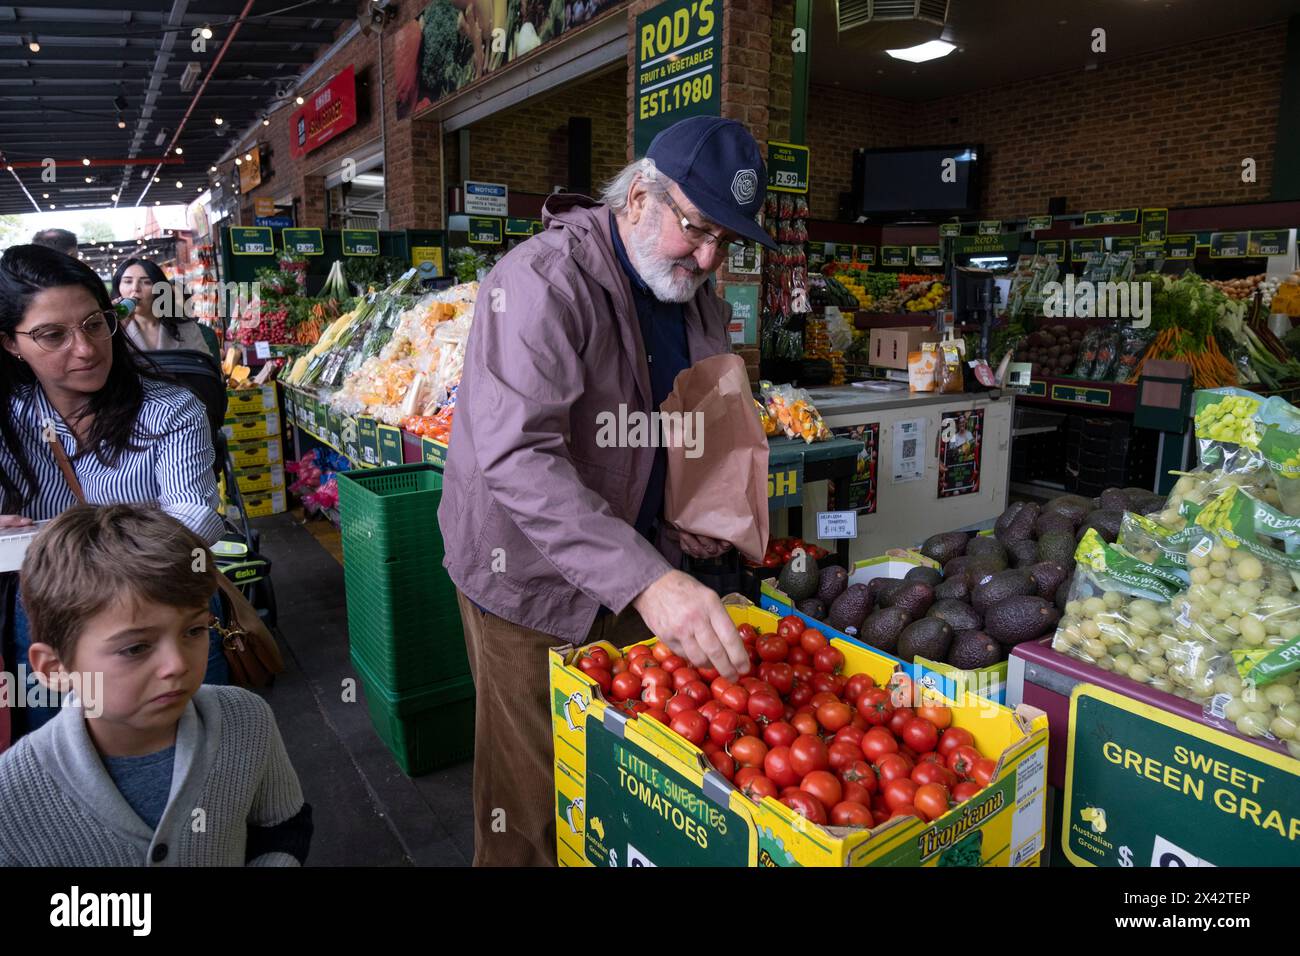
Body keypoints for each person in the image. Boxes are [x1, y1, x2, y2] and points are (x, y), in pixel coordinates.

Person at [439, 116, 778, 866]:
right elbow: (520, 455)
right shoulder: (539, 282)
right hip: (524, 581)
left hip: (631, 564)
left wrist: (685, 511)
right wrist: (650, 580)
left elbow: (666, 422)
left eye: (727, 240)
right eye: (696, 229)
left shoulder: (693, 295)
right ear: (637, 199)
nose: (709, 256)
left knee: (616, 786)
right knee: (529, 798)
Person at [0, 504, 312, 866]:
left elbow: (283, 825)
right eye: (135, 647)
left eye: (194, 631)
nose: (177, 664)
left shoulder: (249, 722)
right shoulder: (13, 792)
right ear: (55, 668)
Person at [0, 244, 228, 733]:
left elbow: (196, 516)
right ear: (10, 343)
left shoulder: (168, 410)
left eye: (93, 324)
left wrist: (104, 563)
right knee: (59, 749)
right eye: (52, 335)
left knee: (196, 740)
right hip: (48, 616)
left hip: (160, 601)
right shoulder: (9, 421)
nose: (84, 349)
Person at [112, 258, 214, 355]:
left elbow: (207, 369)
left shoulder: (187, 328)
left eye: (146, 282)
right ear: (118, 288)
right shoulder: (112, 330)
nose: (135, 288)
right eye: (128, 281)